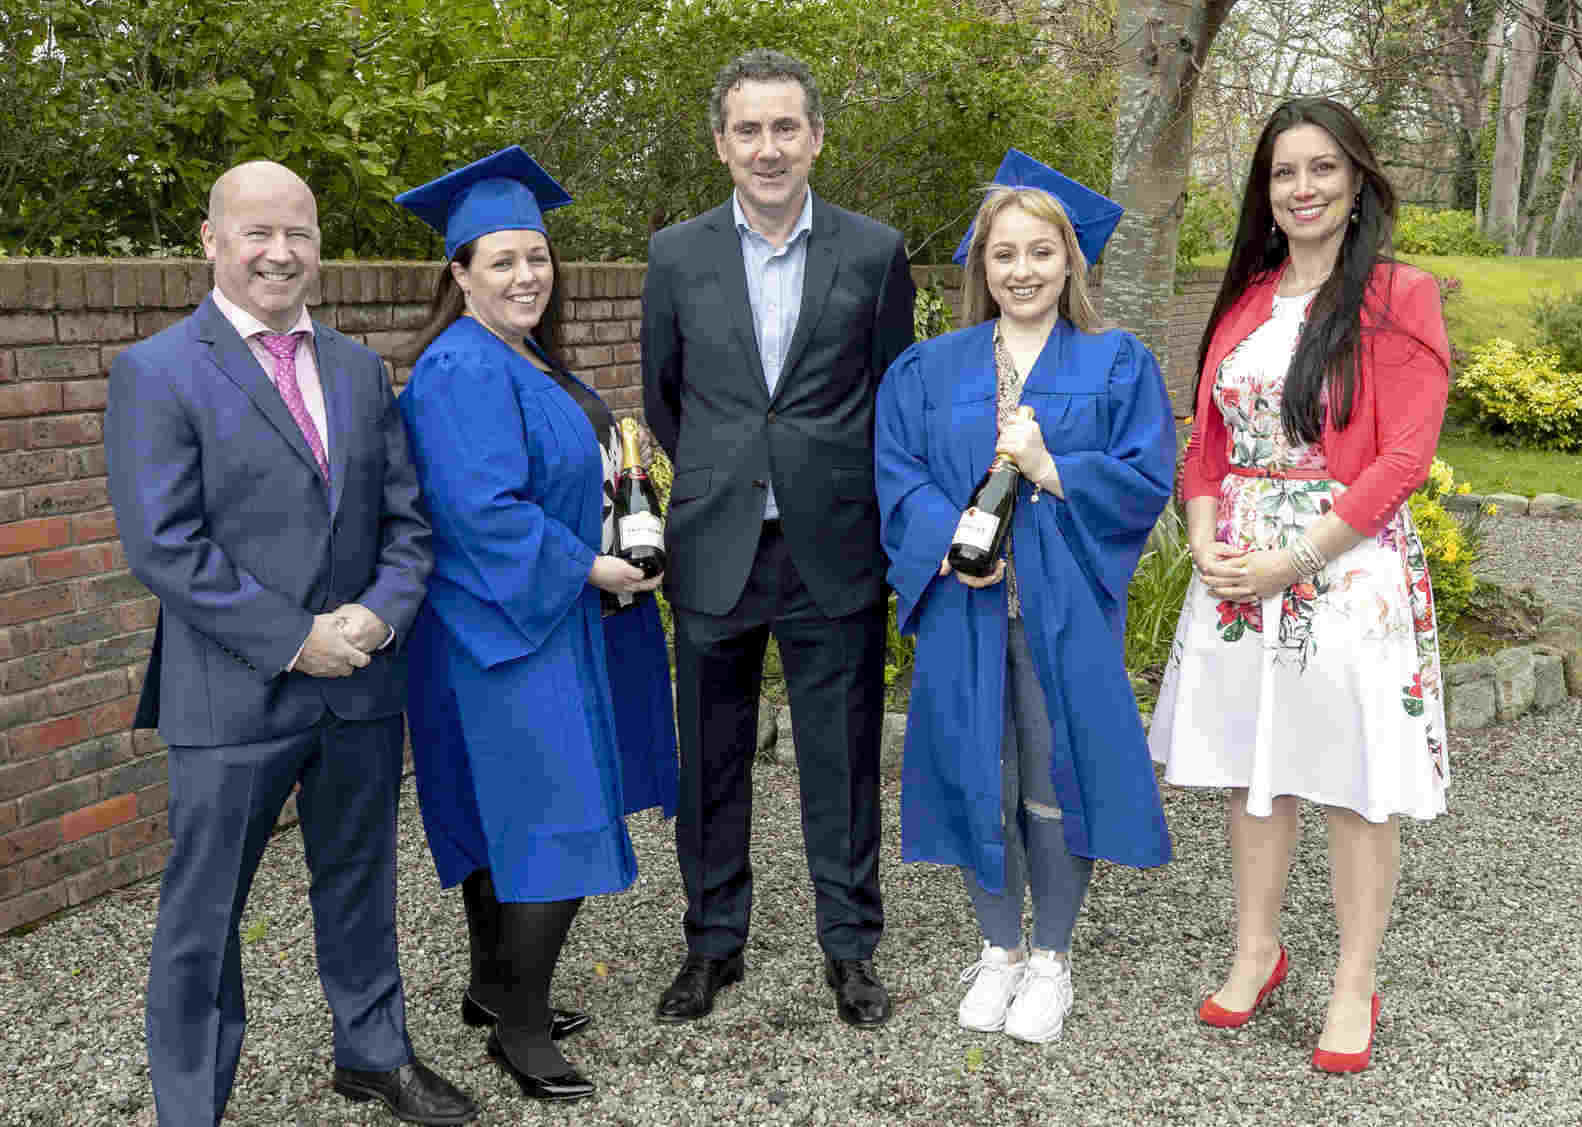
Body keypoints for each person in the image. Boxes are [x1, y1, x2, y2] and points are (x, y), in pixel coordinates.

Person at [107, 161, 477, 1126]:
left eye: (299, 234)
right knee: (204, 912)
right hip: (231, 692)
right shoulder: (156, 370)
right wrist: (293, 637)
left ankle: (372, 1053)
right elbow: (163, 543)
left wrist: (378, 614)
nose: (280, 253)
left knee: (359, 879)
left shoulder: (359, 369)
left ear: (319, 246)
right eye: (256, 233)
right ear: (211, 241)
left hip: (358, 678)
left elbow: (407, 524)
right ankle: (191, 1103)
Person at [1147, 97, 1451, 1074]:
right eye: (1283, 173)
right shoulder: (1244, 298)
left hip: (1342, 566)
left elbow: (1402, 454)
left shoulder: (1398, 297)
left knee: (1352, 778)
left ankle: (1352, 979)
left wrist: (1295, 556)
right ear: (1263, 194)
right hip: (1236, 569)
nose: (1303, 187)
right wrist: (1203, 540)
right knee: (1253, 766)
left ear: (1356, 179)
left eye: (1322, 168)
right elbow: (1203, 446)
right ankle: (1255, 949)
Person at [392, 147, 678, 1104]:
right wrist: (592, 564)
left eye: (537, 257)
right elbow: (484, 510)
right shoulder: (461, 366)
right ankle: (519, 1029)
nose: (526, 275)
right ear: (460, 272)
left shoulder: (520, 355)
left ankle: (490, 986)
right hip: (503, 633)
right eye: (502, 260)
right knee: (552, 817)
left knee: (500, 819)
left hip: (539, 622)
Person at [640, 48, 917, 1028]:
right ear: (720, 144)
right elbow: (664, 398)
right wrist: (729, 474)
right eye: (747, 130)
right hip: (714, 539)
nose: (767, 148)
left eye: (784, 128)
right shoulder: (674, 255)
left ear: (815, 138)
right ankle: (712, 942)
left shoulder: (874, 252)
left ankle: (849, 948)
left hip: (832, 544)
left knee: (838, 760)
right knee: (707, 757)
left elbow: (892, 394)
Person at [874, 151, 1176, 1045]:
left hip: (1066, 611)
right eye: (1002, 253)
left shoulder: (1115, 361)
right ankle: (996, 950)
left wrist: (1053, 468)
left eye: (1040, 252)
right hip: (966, 608)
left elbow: (1144, 474)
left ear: (1070, 260)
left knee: (1058, 776)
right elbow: (894, 472)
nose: (1021, 270)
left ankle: (1051, 957)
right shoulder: (925, 369)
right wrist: (948, 542)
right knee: (979, 772)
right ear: (980, 265)